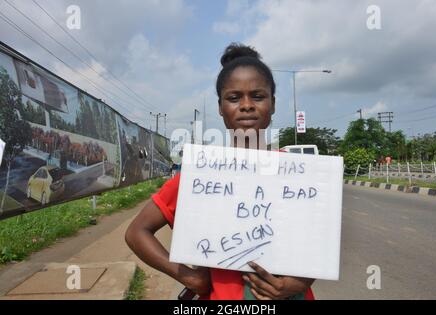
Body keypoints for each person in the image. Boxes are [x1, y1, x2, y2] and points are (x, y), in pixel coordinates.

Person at [125, 43, 315, 300]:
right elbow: (137, 232)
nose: (246, 105)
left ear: (273, 104)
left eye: (258, 96)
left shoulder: (299, 173)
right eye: (234, 98)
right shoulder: (199, 176)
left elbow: (319, 241)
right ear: (220, 107)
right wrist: (187, 276)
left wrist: (301, 282)